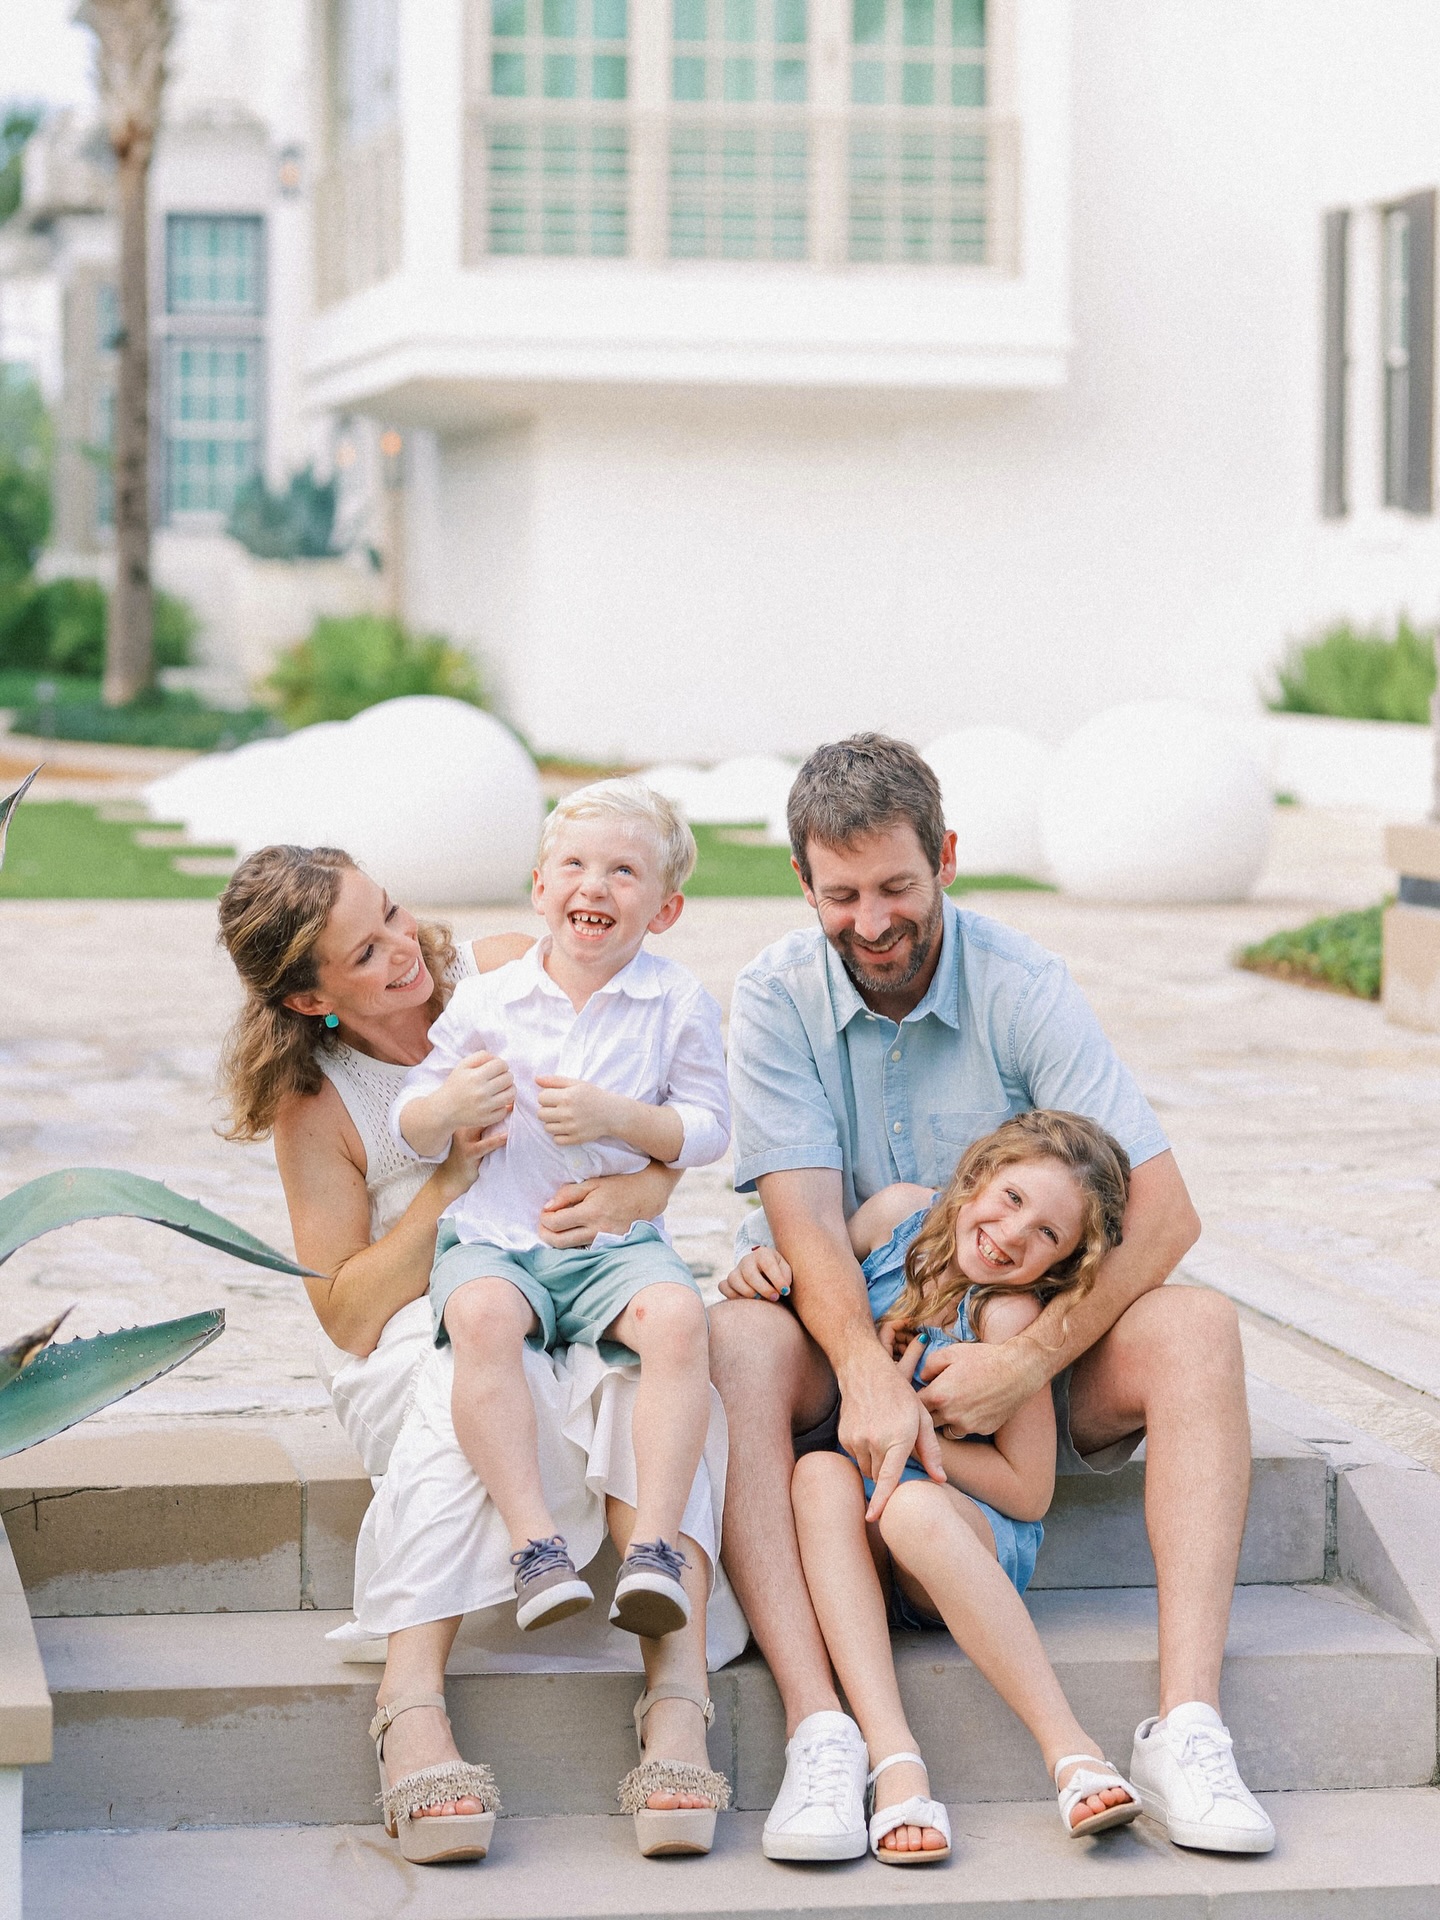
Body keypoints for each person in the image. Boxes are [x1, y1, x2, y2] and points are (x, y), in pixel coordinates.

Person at [713, 732, 1275, 1863]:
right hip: (858, 1330)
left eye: (896, 888)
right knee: (732, 1338)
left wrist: (1027, 1361)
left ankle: (1189, 1728)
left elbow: (1165, 1214)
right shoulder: (774, 996)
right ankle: (825, 1732)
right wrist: (873, 1379)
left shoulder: (1021, 983)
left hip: (1016, 1341)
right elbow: (811, 1223)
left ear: (947, 860)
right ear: (803, 885)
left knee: (1200, 1325)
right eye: (842, 894)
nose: (871, 922)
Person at [217, 843, 736, 1866]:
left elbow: (651, 1127)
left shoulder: (514, 971)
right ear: (310, 996)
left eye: (396, 913)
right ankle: (410, 1701)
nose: (405, 951)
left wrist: (644, 1196)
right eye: (366, 953)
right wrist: (447, 1186)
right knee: (464, 1362)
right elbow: (350, 1313)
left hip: (570, 1268)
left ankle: (677, 1694)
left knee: (655, 1355)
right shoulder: (317, 1100)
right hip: (417, 1312)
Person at [736, 1110, 1142, 1863]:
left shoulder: (1006, 1314)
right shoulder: (897, 1221)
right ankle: (895, 1761)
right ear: (980, 1174)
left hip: (960, 1541)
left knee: (914, 1506)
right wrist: (757, 1265)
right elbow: (812, 1270)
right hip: (860, 1534)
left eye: (1048, 1235)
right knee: (819, 1473)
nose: (1014, 1233)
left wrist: (916, 1422)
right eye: (1014, 1197)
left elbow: (1029, 1492)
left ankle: (1070, 1749)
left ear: (1062, 1264)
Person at [389, 780, 730, 1645]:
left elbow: (708, 1127)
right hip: (499, 1237)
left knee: (681, 1320)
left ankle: (654, 1546)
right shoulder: (489, 1001)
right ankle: (534, 1543)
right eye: (573, 866)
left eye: (624, 871)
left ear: (665, 907)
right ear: (540, 889)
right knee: (479, 1316)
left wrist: (623, 1119)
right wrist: (449, 1103)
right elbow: (412, 1119)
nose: (595, 886)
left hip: (615, 1247)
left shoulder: (676, 1003)